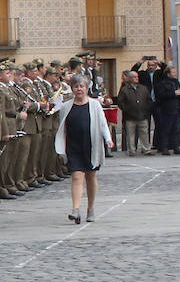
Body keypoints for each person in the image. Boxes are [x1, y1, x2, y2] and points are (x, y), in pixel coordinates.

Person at [54, 73, 112, 224]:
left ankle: (91, 208)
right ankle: (75, 209)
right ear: (72, 89)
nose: (79, 89)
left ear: (87, 88)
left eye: (82, 86)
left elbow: (102, 124)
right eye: (76, 87)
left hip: (91, 145)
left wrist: (108, 139)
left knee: (91, 176)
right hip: (73, 146)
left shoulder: (94, 105)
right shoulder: (66, 107)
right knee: (76, 176)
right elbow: (62, 128)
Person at [115, 69, 153, 155]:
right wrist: (127, 109)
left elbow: (149, 100)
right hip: (130, 116)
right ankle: (132, 150)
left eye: (137, 77)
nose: (136, 78)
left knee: (144, 133)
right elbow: (120, 102)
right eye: (134, 77)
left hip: (142, 115)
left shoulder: (143, 88)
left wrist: (146, 109)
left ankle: (146, 149)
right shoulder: (124, 89)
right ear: (130, 78)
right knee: (130, 134)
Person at [151, 61, 180, 154]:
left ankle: (176, 146)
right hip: (166, 109)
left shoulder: (176, 82)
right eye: (173, 72)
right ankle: (164, 147)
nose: (175, 74)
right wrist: (173, 93)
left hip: (176, 108)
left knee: (176, 129)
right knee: (166, 129)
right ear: (168, 74)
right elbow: (160, 95)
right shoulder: (163, 83)